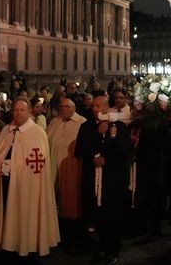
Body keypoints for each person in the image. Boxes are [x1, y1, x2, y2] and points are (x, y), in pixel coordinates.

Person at [0, 97, 60, 257]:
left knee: (25, 219)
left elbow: (39, 164)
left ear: (29, 112)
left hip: (27, 188)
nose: (18, 113)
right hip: (5, 185)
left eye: (22, 110)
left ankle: (27, 247)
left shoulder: (37, 132)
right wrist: (1, 164)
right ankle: (8, 245)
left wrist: (14, 166)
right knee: (7, 216)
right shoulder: (6, 129)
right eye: (15, 110)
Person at [75, 96, 132, 265]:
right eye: (92, 106)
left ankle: (113, 248)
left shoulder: (119, 126)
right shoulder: (86, 127)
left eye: (97, 105)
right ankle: (101, 245)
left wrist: (107, 160)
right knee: (97, 216)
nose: (94, 108)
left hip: (111, 181)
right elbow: (80, 151)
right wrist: (97, 134)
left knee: (112, 217)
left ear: (106, 108)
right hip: (92, 179)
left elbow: (125, 152)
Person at [46, 98, 87, 252]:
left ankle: (74, 237)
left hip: (74, 168)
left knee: (72, 201)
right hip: (53, 167)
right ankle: (56, 232)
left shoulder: (82, 122)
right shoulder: (54, 122)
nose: (63, 109)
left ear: (74, 107)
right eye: (61, 106)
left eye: (67, 106)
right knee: (56, 200)